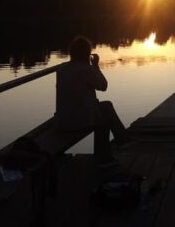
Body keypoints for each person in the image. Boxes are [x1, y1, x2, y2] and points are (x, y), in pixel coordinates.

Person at [55, 36, 135, 168]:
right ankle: (108, 155)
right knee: (104, 114)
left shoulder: (62, 68)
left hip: (62, 119)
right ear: (87, 53)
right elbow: (103, 86)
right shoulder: (86, 69)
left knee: (105, 108)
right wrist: (96, 66)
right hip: (76, 121)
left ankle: (119, 143)